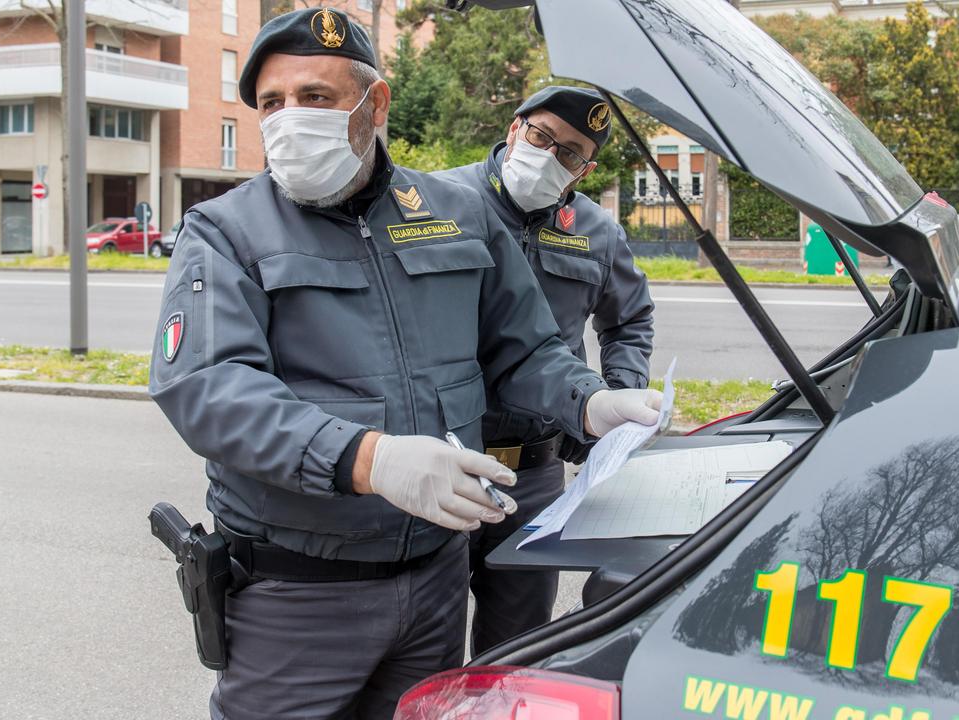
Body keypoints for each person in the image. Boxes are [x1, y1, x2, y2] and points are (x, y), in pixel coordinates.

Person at [147, 9, 661, 720]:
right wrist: (367, 459)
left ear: (374, 103)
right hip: (300, 593)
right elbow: (206, 386)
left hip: (434, 582)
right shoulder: (224, 230)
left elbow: (523, 348)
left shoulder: (455, 211)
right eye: (272, 103)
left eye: (316, 97)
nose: (289, 119)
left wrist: (589, 402)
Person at [435, 86, 655, 655]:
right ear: (514, 129)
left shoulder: (597, 232)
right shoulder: (436, 200)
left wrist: (614, 405)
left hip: (535, 475)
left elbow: (629, 321)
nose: (551, 155)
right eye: (541, 137)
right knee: (424, 646)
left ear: (585, 168)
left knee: (516, 648)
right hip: (444, 458)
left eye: (571, 152)